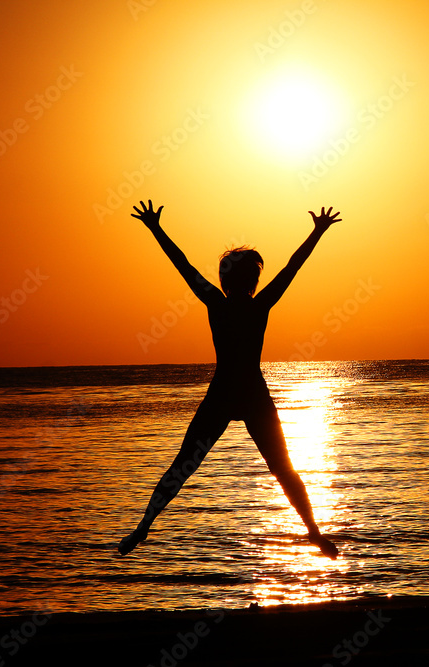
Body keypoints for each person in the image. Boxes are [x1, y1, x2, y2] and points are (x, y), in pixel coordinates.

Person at [118, 199, 341, 559]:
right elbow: (291, 268)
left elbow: (184, 266)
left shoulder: (218, 304)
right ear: (253, 280)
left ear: (224, 280)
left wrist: (155, 228)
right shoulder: (257, 305)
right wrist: (316, 232)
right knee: (282, 468)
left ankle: (143, 526)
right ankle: (313, 532)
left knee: (183, 465)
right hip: (250, 392)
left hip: (226, 392)